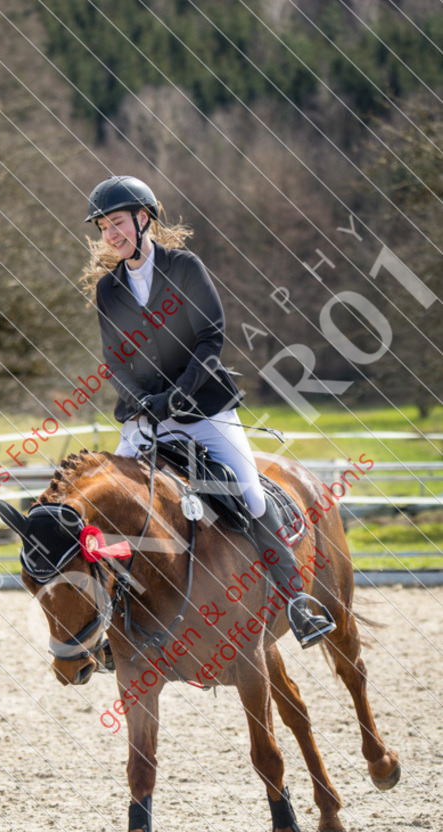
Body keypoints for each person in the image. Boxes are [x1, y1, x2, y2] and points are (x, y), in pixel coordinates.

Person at [82, 174, 335, 649]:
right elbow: (115, 358)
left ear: (143, 218)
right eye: (103, 228)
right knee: (109, 503)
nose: (110, 235)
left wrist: (174, 399)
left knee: (251, 493)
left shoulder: (184, 267)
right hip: (142, 416)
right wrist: (140, 402)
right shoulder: (109, 290)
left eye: (117, 223)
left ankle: (297, 601)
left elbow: (209, 340)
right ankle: (111, 628)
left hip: (203, 407)